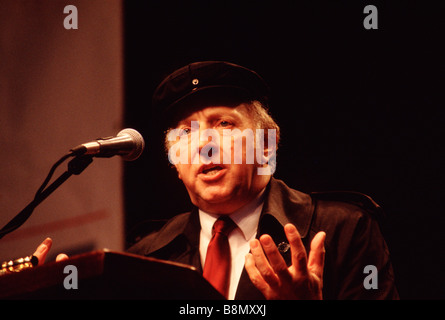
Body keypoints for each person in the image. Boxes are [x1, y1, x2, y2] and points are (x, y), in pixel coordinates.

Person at [35, 61, 398, 300]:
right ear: (175, 163)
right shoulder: (146, 255)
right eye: (184, 133)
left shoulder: (344, 230)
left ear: (267, 146)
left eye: (224, 124)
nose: (203, 144)